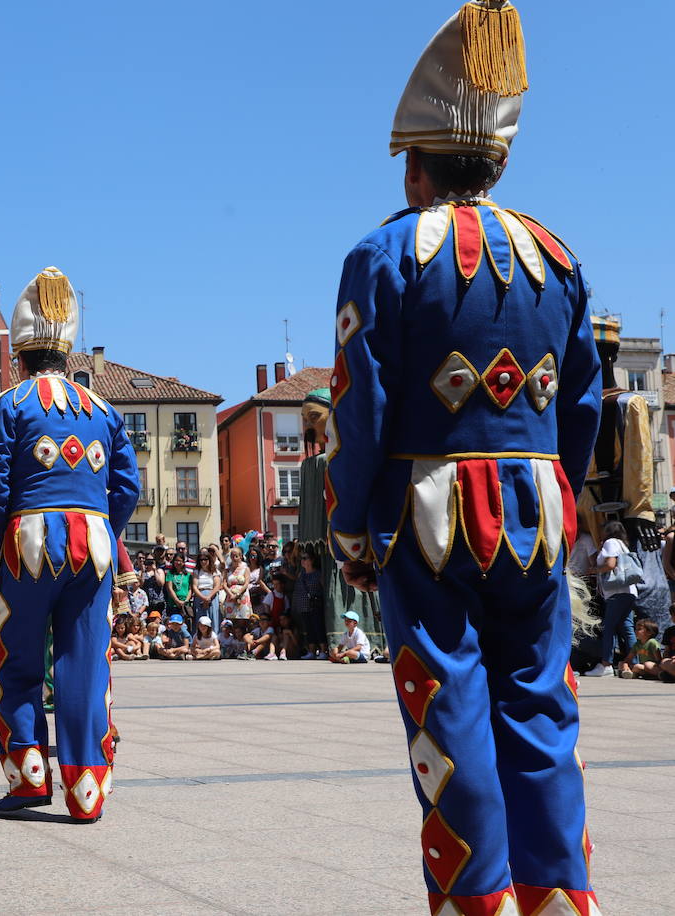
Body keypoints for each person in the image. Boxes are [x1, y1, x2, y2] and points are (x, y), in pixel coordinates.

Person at [327, 4, 603, 909]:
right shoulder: (558, 261)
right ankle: (560, 897)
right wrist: (561, 496)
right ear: (498, 159)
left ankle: (473, 901)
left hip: (427, 508)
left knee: (448, 709)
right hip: (537, 510)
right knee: (543, 707)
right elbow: (584, 406)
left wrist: (350, 528)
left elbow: (358, 412)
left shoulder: (384, 255)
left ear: (416, 162)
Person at [0, 266, 140, 821]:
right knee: (85, 664)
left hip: (27, 543)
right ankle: (84, 791)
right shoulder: (106, 411)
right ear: (67, 353)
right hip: (91, 545)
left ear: (20, 356)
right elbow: (128, 487)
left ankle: (28, 780)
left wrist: (3, 535)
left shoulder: (10, 405)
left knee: (18, 660)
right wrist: (102, 528)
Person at [591, 520, 640, 678]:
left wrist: (595, 570)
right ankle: (635, 664)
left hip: (616, 592)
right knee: (627, 628)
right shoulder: (623, 544)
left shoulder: (611, 542)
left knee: (609, 627)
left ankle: (606, 664)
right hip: (629, 591)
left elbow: (611, 564)